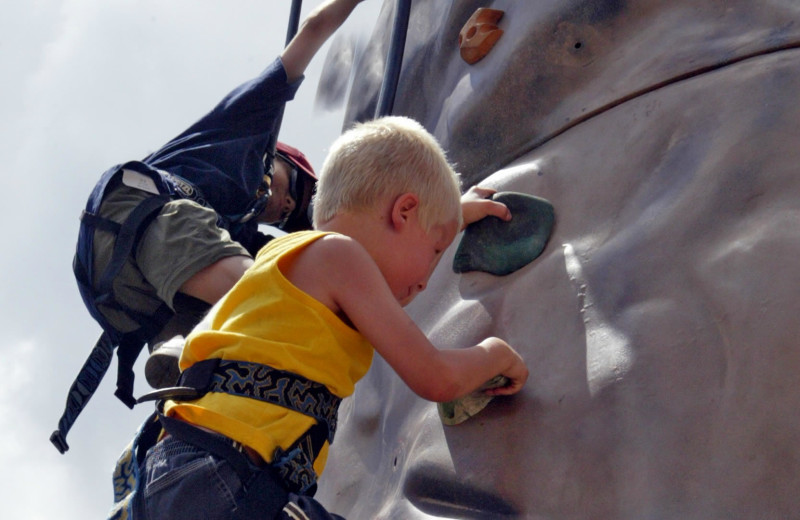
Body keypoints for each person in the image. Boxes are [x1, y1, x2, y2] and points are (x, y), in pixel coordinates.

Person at [129, 116, 529, 519]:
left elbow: (405, 236)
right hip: (223, 480)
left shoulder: (280, 264)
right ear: (404, 210)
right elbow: (436, 376)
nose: (427, 281)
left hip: (175, 471)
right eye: (436, 251)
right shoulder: (342, 257)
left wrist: (449, 217)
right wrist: (495, 354)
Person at [53, 1, 373, 456]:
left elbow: (330, 257)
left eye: (286, 215)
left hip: (131, 297)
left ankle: (182, 356)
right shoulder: (241, 129)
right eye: (292, 188)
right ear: (278, 158)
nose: (282, 206)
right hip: (141, 213)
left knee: (267, 293)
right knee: (273, 294)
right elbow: (314, 29)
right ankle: (186, 352)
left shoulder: (240, 240)